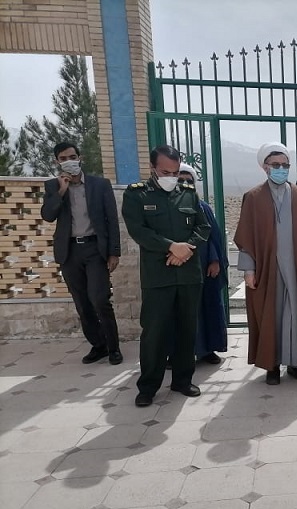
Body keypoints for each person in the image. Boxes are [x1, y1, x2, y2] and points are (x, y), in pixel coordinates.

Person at [121, 145, 210, 407]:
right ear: (152, 168)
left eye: (175, 172)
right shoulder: (137, 195)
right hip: (158, 276)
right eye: (165, 172)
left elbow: (203, 227)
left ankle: (183, 380)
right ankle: (148, 386)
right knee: (155, 333)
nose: (171, 177)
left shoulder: (188, 194)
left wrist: (186, 249)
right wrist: (171, 247)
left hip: (188, 275)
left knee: (187, 329)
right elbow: (139, 231)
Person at [233, 142, 297, 385]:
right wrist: (249, 270)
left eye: (285, 165)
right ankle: (272, 365)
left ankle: (295, 364)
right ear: (265, 167)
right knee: (271, 316)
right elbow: (246, 237)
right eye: (276, 165)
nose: (281, 169)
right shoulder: (253, 197)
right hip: (268, 269)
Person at [41, 141, 123, 365]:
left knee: (99, 299)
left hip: (95, 249)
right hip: (69, 251)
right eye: (63, 158)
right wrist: (61, 191)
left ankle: (114, 347)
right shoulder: (53, 186)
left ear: (80, 157)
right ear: (57, 162)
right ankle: (99, 345)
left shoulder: (100, 184)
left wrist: (114, 252)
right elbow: (48, 215)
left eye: (72, 157)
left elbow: (111, 220)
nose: (69, 161)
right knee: (82, 303)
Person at [176, 163, 228, 364]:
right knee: (178, 312)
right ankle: (177, 353)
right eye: (180, 180)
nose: (185, 184)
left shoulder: (203, 207)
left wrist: (215, 260)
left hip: (203, 267)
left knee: (206, 308)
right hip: (177, 269)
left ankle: (207, 350)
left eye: (189, 181)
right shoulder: (167, 208)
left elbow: (213, 237)